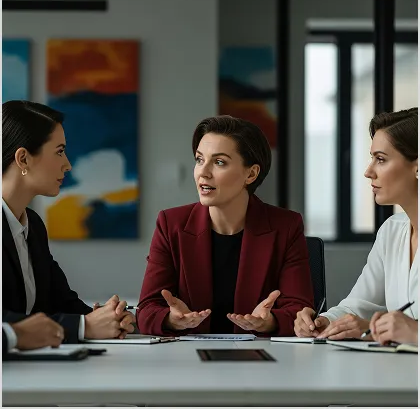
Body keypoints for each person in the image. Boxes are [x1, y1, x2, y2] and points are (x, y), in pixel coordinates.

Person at [137, 115, 314, 336]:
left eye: (219, 162)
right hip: (187, 361)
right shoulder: (171, 224)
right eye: (200, 160)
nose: (203, 172)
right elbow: (146, 310)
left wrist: (269, 322)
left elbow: (301, 310)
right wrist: (172, 320)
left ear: (251, 174)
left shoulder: (286, 226)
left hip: (261, 361)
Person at [2, 100, 136, 344]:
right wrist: (83, 327)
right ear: (23, 159)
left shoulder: (32, 225)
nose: (68, 164)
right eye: (59, 151)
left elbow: (62, 302)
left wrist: (110, 318)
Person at [294, 108, 418, 342]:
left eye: (380, 159)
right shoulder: (392, 230)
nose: (368, 172)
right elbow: (360, 305)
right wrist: (325, 322)